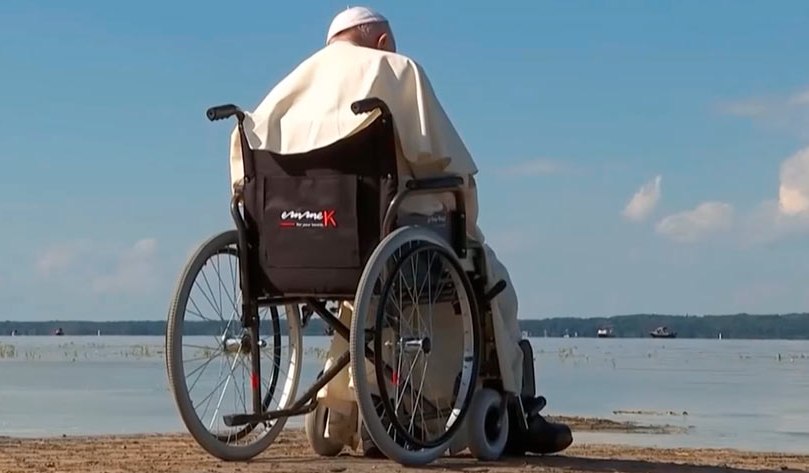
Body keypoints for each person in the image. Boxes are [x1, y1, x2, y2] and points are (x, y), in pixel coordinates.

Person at [228, 6, 573, 456]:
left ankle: (362, 403)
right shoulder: (396, 71)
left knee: (371, 294)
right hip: (390, 240)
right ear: (383, 42)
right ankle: (513, 410)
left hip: (298, 249)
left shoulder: (285, 93)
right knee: (493, 281)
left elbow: (243, 173)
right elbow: (443, 162)